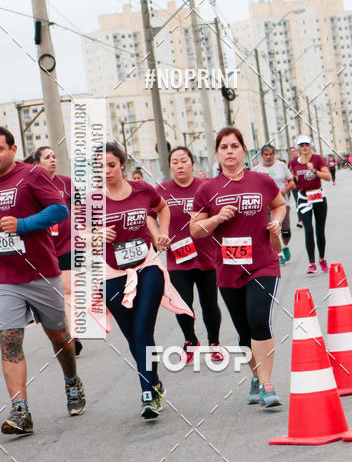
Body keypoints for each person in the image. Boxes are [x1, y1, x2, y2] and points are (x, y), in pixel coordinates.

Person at [190, 127, 286, 409]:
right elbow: (195, 230)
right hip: (229, 269)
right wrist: (217, 218)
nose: (229, 151)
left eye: (234, 146)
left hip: (263, 263)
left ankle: (267, 384)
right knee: (244, 331)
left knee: (259, 320)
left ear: (244, 150)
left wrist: (276, 222)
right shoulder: (207, 189)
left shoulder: (262, 181)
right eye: (224, 147)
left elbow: (279, 205)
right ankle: (256, 377)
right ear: (217, 153)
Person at [0, 127, 86, 434]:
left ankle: (72, 381)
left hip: (40, 272)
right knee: (9, 339)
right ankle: (20, 410)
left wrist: (23, 224)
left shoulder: (32, 175)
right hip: (5, 277)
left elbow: (60, 210)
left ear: (13, 149)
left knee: (59, 337)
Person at [97, 142, 189, 419]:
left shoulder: (142, 190)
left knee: (142, 331)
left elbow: (162, 208)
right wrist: (95, 235)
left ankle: (147, 393)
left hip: (147, 268)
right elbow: (78, 234)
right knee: (132, 337)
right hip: (112, 275)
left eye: (111, 165)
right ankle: (155, 382)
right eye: (100, 167)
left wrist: (161, 232)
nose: (106, 171)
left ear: (122, 165)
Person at [156, 146, 222, 365]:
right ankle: (190, 341)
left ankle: (214, 342)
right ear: (170, 166)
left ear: (192, 164)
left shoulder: (206, 187)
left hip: (207, 255)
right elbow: (148, 215)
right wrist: (158, 236)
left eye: (184, 161)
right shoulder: (162, 190)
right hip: (178, 258)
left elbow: (218, 214)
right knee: (183, 304)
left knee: (210, 304)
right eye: (175, 162)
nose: (180, 165)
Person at [34, 145, 83, 356]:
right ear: (37, 164)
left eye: (54, 156)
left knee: (69, 288)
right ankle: (61, 332)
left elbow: (79, 209)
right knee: (53, 294)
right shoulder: (31, 185)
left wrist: (84, 231)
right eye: (47, 157)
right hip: (43, 247)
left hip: (68, 243)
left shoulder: (67, 183)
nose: (53, 160)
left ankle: (73, 334)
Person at [289, 135, 331, 274]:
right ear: (298, 148)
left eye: (306, 144)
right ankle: (311, 263)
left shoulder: (317, 159)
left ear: (310, 146)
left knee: (320, 230)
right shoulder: (293, 163)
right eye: (301, 145)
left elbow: (328, 177)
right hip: (303, 198)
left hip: (318, 195)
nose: (304, 147)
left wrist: (314, 171)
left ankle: (322, 259)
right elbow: (293, 180)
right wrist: (294, 181)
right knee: (308, 230)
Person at [254, 144, 294, 265]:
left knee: (286, 232)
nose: (268, 157)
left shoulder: (281, 166)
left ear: (274, 154)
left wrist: (284, 191)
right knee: (271, 229)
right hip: (266, 205)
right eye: (266, 155)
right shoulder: (256, 170)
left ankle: (285, 246)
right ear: (262, 155)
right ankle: (279, 255)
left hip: (282, 203)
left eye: (271, 154)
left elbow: (291, 181)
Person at [287, 145, 303, 228]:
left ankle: (306, 217)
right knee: (298, 201)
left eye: (295, 151)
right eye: (292, 151)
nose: (294, 153)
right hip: (294, 186)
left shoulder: (302, 160)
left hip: (303, 185)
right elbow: (288, 174)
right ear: (290, 153)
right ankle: (300, 220)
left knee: (304, 201)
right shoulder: (290, 163)